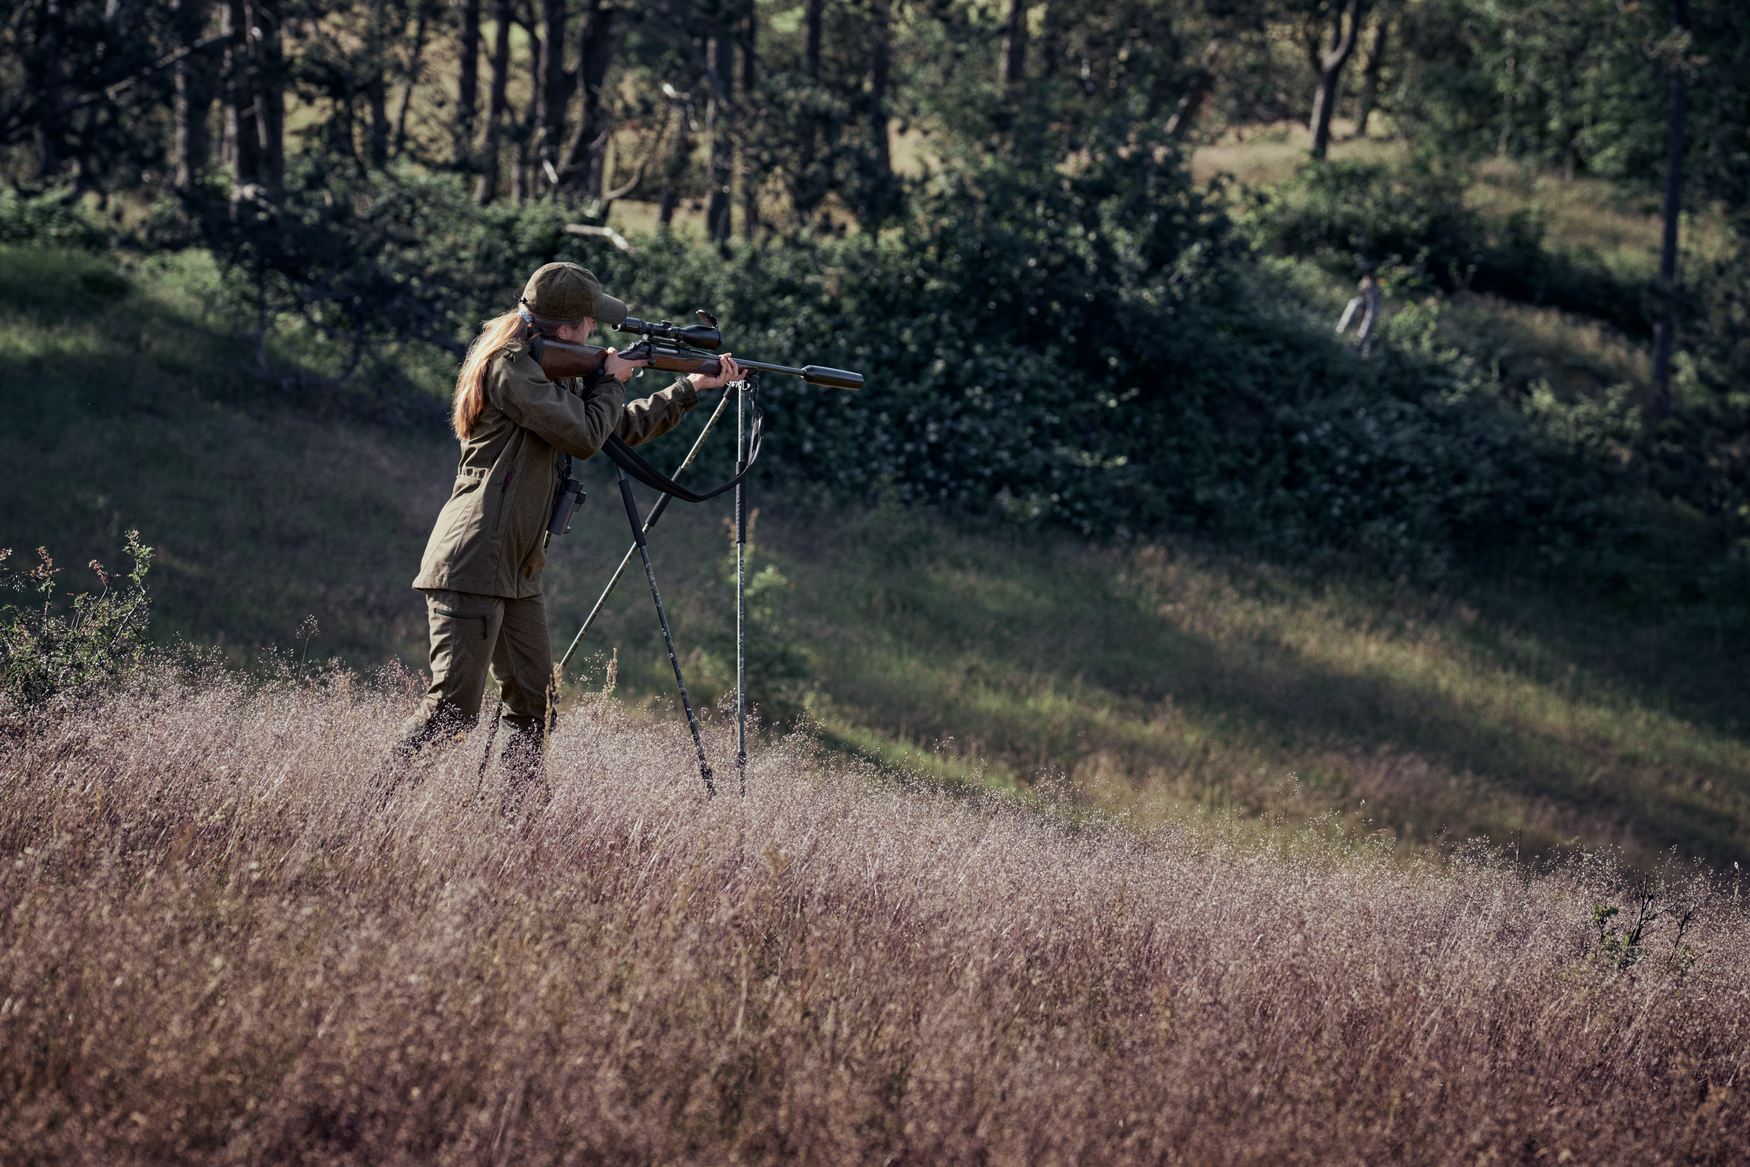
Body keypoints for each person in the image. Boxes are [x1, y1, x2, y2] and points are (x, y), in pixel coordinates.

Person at [392, 261, 741, 801]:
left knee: (534, 706)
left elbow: (613, 429)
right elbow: (582, 433)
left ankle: (518, 825)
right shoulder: (511, 367)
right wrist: (608, 379)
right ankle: (369, 809)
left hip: (518, 567)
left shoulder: (556, 372)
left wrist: (691, 386)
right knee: (452, 711)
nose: (596, 332)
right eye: (589, 322)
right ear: (565, 328)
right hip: (476, 557)